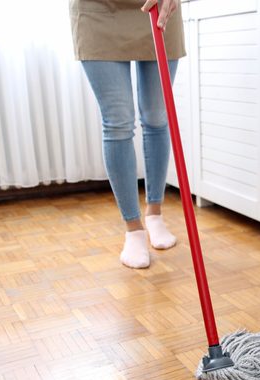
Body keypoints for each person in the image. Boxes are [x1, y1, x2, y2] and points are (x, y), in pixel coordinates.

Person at [69, 0, 185, 268]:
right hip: (97, 9)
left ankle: (154, 214)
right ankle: (133, 229)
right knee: (118, 122)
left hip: (158, 8)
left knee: (157, 118)